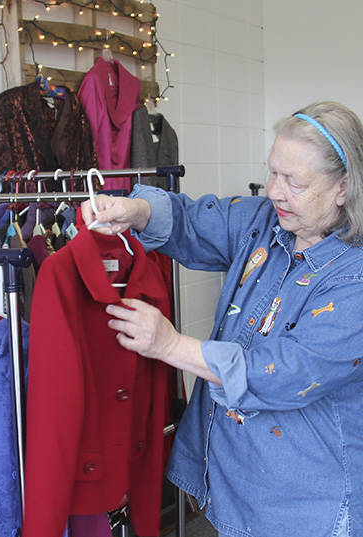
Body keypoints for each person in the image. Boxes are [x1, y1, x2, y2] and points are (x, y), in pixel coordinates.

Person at [81, 101, 363, 537]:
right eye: (272, 172)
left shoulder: (355, 279)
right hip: (238, 481)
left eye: (294, 181)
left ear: (343, 187)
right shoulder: (264, 221)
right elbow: (194, 220)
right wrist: (137, 211)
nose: (274, 191)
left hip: (307, 502)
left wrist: (171, 346)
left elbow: (286, 371)